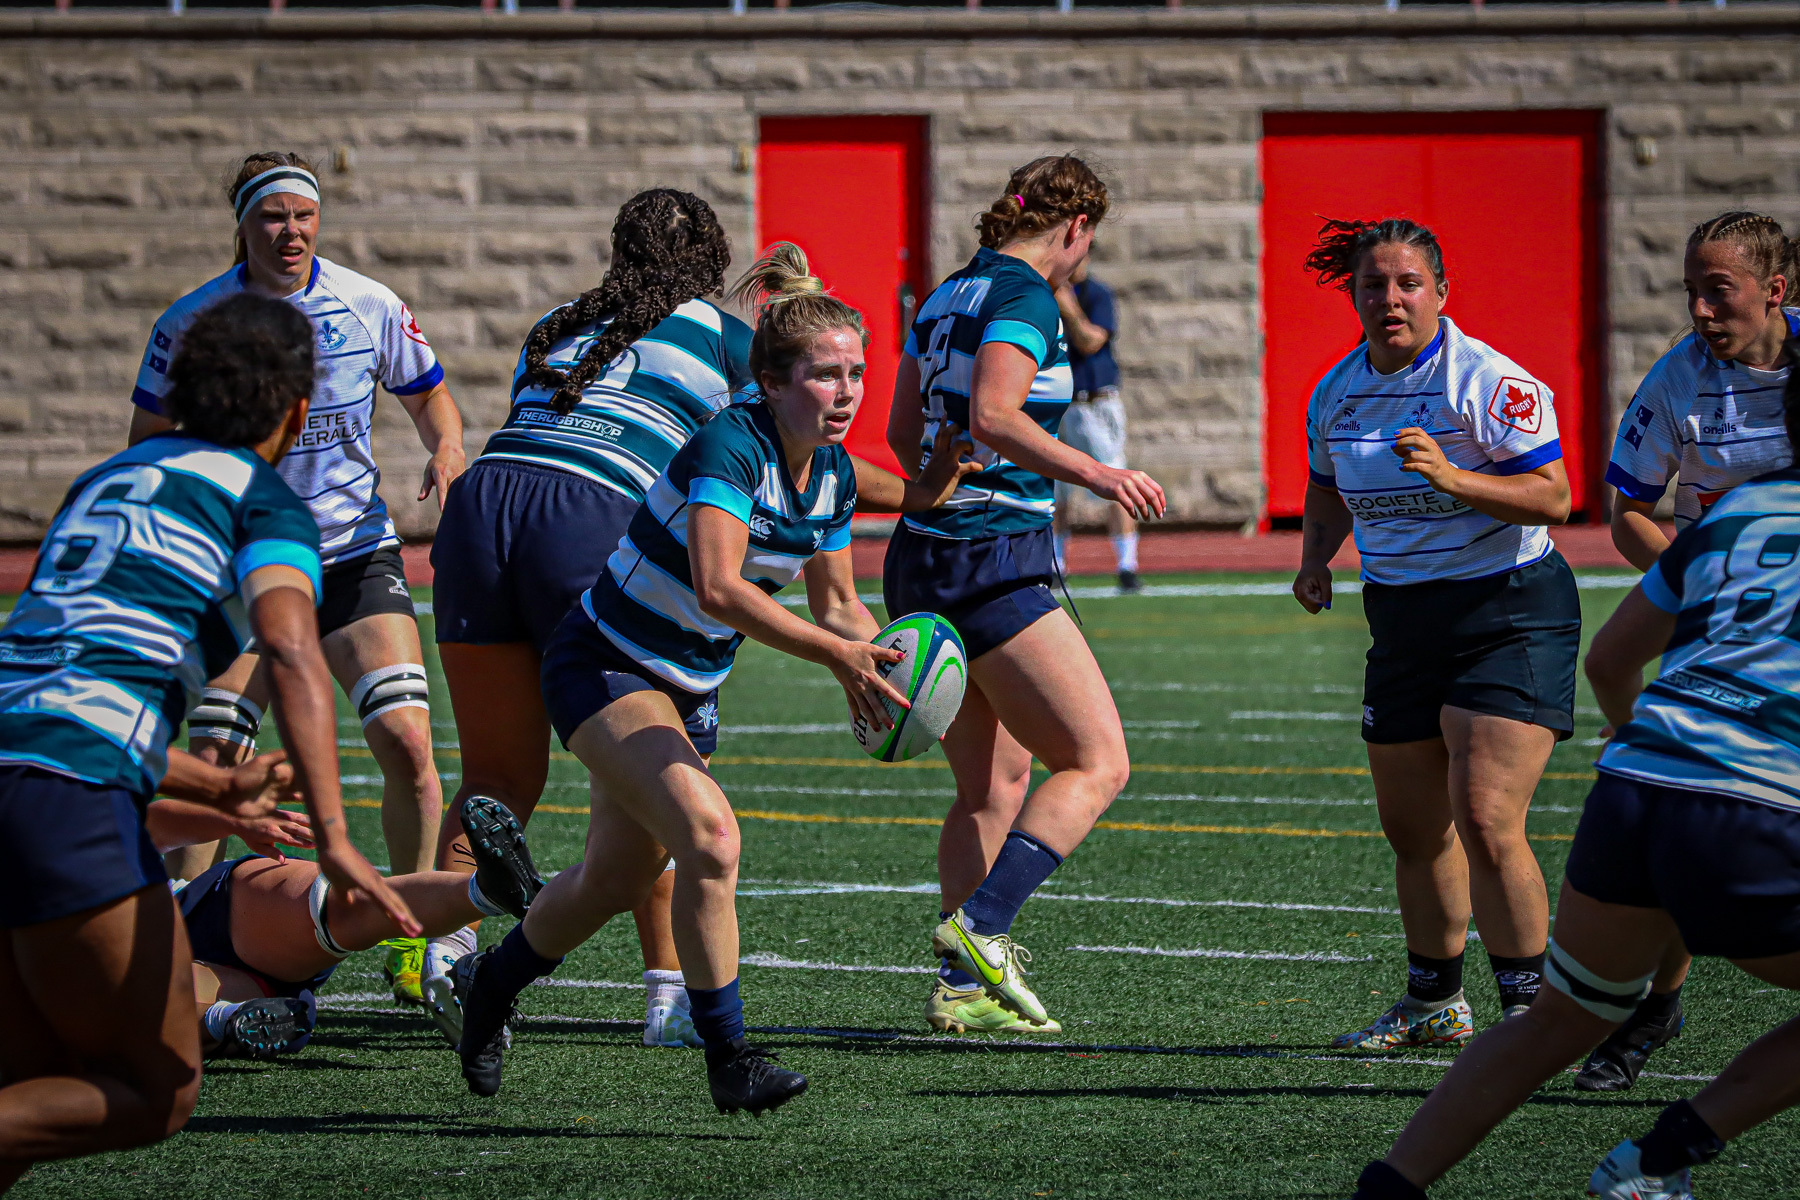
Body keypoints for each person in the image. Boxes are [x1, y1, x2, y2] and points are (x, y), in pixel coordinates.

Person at [448, 243, 974, 1113]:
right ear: (768, 381)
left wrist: (890, 666)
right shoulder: (729, 446)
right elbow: (719, 587)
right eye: (822, 375)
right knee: (713, 840)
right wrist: (833, 653)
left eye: (855, 373)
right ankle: (730, 1059)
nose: (844, 393)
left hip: (684, 684)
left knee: (609, 882)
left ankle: (491, 991)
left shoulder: (834, 475)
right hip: (605, 664)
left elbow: (840, 601)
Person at [1350, 376, 1800, 1199]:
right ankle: (1660, 1158)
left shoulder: (1732, 516)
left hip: (1636, 787)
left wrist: (1646, 744)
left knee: (1562, 1015)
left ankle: (1389, 1187)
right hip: (1756, 806)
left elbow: (1608, 662)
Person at [0, 293, 412, 1189]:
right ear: (299, 411)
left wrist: (209, 784)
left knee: (26, 1091)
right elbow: (296, 655)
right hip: (62, 796)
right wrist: (337, 837)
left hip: (33, 763)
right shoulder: (264, 504)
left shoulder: (106, 479)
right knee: (155, 1088)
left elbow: (60, 683)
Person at [127, 151, 466, 1005]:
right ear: (241, 223)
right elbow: (146, 440)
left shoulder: (369, 303)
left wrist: (448, 449)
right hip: (242, 566)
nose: (291, 231)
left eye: (303, 215)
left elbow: (430, 396)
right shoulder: (193, 320)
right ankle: (171, 953)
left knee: (410, 743)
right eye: (272, 215)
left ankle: (409, 943)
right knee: (213, 757)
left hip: (352, 556)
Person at [424, 189, 749, 1052]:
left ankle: (443, 951)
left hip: (486, 504)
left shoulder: (563, 317)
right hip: (590, 509)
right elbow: (788, 439)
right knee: (647, 775)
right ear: (711, 261)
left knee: (496, 770)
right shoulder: (723, 336)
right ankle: (669, 994)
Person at [884, 155, 1165, 1037]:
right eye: (1090, 243)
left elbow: (901, 434)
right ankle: (983, 929)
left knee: (992, 784)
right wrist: (1099, 471)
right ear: (1075, 229)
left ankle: (959, 988)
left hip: (925, 550)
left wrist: (944, 473)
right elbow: (997, 416)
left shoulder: (942, 295)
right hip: (990, 557)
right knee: (1097, 761)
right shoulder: (1026, 295)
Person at [1290, 217, 1575, 1050]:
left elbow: (1554, 496)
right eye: (1373, 285)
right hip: (1403, 615)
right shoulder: (1336, 391)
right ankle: (1434, 1004)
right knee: (1413, 828)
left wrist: (1453, 477)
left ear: (1441, 293)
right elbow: (1324, 485)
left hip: (1508, 607)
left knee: (1486, 816)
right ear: (1354, 295)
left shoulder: (1486, 381)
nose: (1390, 299)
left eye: (1408, 283)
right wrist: (1316, 560)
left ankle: (1533, 1014)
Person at [1584, 211, 1798, 1092]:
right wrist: (1699, 583)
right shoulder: (1677, 379)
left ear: (1775, 291)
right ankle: (1655, 1004)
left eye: (1721, 290)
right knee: (1691, 812)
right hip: (1727, 636)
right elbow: (1628, 507)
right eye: (1692, 291)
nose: (1702, 310)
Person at [143, 795, 540, 1061]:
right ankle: (234, 1020)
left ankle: (488, 890)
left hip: (193, 914)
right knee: (128, 1003)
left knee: (342, 909)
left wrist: (232, 820)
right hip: (159, 971)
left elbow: (144, 827)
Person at [1051, 260, 1140, 592]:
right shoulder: (1043, 295)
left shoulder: (1096, 294)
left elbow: (1090, 341)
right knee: (1056, 491)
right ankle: (1056, 565)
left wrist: (1069, 307)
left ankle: (1127, 566)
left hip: (1095, 404)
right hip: (1060, 405)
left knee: (1115, 482)